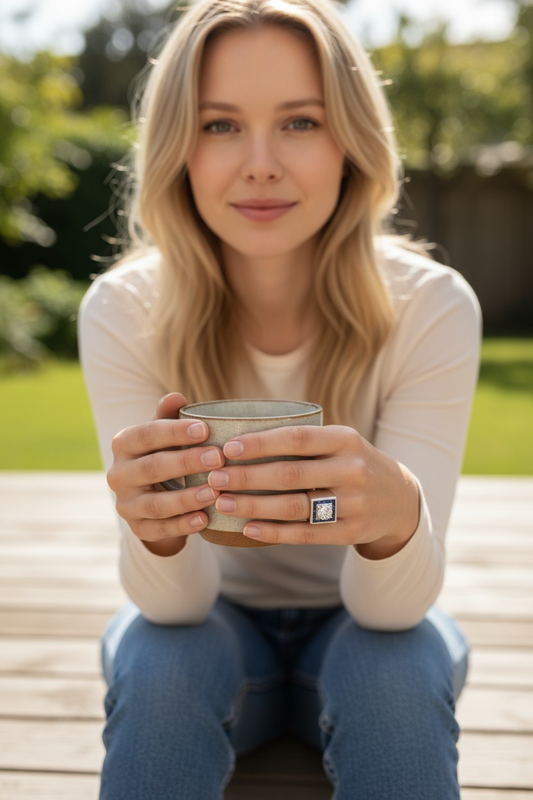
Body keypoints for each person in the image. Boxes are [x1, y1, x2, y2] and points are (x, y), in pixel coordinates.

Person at [78, 0, 482, 796]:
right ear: (177, 149)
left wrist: (396, 513)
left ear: (351, 143)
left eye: (299, 122)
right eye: (219, 125)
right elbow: (176, 607)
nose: (259, 163)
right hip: (210, 630)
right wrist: (157, 535)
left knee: (395, 667)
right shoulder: (125, 311)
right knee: (160, 659)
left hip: (367, 629)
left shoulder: (430, 307)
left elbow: (391, 612)